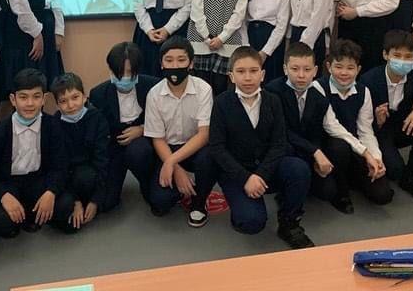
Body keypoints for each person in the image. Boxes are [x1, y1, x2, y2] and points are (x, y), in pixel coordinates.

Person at [210, 47, 314, 248]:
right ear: (231, 76)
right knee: (251, 222)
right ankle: (241, 208)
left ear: (262, 74)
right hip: (236, 172)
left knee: (299, 168)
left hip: (266, 167)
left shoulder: (272, 101)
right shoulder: (222, 103)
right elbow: (217, 148)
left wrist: (260, 175)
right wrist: (246, 178)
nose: (248, 77)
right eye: (241, 71)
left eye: (253, 71)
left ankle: (289, 222)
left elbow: (279, 143)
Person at [360, 30, 413, 204]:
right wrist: (377, 121)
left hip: (404, 126)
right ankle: (399, 172)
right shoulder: (369, 79)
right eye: (397, 55)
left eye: (408, 57)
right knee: (394, 170)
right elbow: (360, 122)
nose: (402, 61)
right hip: (381, 131)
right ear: (385, 55)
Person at [144, 36, 217, 227]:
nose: (175, 65)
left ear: (191, 63)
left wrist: (171, 162)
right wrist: (176, 168)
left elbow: (204, 134)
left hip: (195, 148)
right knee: (160, 202)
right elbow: (158, 139)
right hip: (168, 149)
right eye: (169, 60)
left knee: (210, 155)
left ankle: (199, 203)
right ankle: (179, 186)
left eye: (181, 60)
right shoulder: (154, 94)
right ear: (161, 64)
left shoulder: (203, 89)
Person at [315, 39, 394, 214]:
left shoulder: (363, 91)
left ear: (358, 69)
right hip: (329, 148)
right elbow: (332, 126)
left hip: (355, 147)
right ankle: (341, 191)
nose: (344, 73)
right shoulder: (318, 87)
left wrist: (376, 157)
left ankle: (352, 177)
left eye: (350, 68)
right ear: (329, 67)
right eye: (338, 66)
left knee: (383, 195)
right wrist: (365, 153)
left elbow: (365, 130)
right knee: (338, 148)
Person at [0, 68, 68, 238]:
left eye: (36, 97)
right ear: (13, 99)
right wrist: (3, 195)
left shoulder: (53, 126)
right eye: (23, 97)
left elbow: (60, 166)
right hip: (10, 184)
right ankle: (25, 214)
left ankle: (34, 213)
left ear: (44, 99)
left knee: (65, 208)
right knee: (3, 223)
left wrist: (51, 192)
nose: (30, 103)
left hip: (39, 181)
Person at [89, 42, 159, 211]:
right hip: (114, 148)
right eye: (118, 72)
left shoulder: (153, 86)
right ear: (110, 69)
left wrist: (142, 129)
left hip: (143, 144)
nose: (124, 78)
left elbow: (165, 121)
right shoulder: (98, 94)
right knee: (106, 203)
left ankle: (147, 182)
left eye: (129, 73)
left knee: (159, 200)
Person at [266, 42, 337, 204]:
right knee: (291, 160)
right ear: (285, 69)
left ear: (315, 71)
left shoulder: (319, 98)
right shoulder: (272, 91)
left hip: (305, 149)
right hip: (280, 148)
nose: (301, 75)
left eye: (307, 69)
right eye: (295, 69)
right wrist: (315, 152)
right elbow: (281, 131)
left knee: (328, 191)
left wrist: (316, 155)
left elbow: (316, 134)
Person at [51, 73, 110, 232]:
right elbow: (58, 165)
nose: (70, 105)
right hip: (66, 178)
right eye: (63, 101)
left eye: (75, 97)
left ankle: (90, 203)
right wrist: (75, 201)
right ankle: (77, 204)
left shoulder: (97, 119)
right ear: (57, 105)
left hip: (91, 176)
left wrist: (95, 200)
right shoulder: (54, 125)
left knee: (105, 197)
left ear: (84, 97)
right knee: (67, 222)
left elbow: (102, 160)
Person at [243, 0, 289, 84]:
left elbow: (281, 27)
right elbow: (244, 21)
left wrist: (265, 52)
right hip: (251, 38)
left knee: (271, 81)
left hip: (271, 40)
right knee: (252, 79)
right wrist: (246, 46)